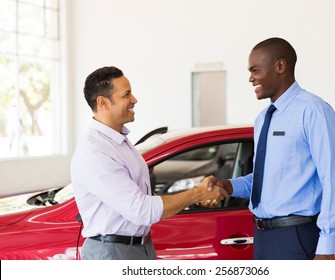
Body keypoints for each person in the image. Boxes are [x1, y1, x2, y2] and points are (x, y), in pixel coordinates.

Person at [208, 37, 335, 260]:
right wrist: (228, 185)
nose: (250, 78)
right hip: (263, 237)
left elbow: (334, 180)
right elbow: (265, 180)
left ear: (280, 66)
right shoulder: (263, 118)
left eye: (255, 70)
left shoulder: (313, 111)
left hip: (296, 237)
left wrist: (326, 248)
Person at [71, 66, 227, 260]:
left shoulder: (119, 142)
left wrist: (197, 197)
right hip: (113, 253)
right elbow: (142, 210)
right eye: (126, 94)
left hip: (138, 247)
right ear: (103, 103)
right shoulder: (95, 152)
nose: (134, 100)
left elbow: (144, 199)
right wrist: (198, 193)